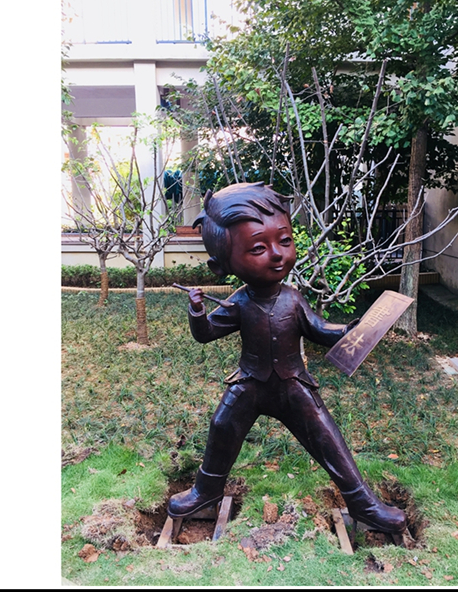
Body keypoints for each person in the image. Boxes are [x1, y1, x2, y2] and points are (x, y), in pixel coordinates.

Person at [168, 182, 407, 537]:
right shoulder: (238, 303)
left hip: (293, 385)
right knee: (222, 427)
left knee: (327, 436)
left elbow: (318, 328)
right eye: (258, 248)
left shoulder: (292, 299)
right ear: (222, 265)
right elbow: (206, 334)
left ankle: (363, 504)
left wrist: (349, 331)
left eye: (284, 241)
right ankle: (206, 491)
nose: (277, 254)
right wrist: (198, 312)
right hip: (249, 385)